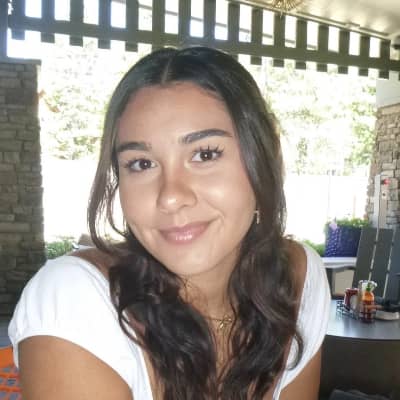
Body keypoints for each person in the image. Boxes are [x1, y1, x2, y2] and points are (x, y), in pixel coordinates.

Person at [8, 46, 330, 400]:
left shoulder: (297, 280)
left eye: (205, 154)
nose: (170, 196)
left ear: (267, 158)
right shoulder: (75, 301)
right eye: (142, 163)